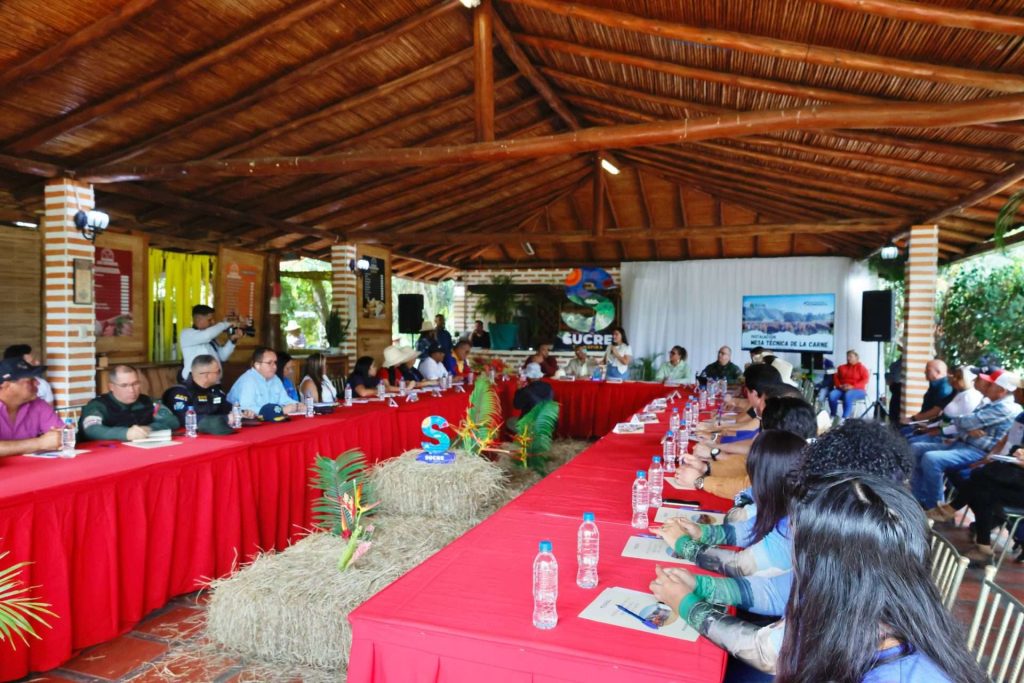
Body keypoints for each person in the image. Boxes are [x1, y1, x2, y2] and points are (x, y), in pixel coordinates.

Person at [652, 419, 915, 678]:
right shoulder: (861, 559)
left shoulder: (851, 585)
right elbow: (780, 590)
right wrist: (703, 587)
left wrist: (686, 602)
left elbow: (768, 651)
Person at [770, 473, 985, 682]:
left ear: (833, 575)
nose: (794, 563)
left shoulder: (900, 674)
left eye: (797, 551)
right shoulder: (865, 625)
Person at [909, 369, 1022, 521]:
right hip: (962, 443)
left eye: (992, 384)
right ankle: (918, 497)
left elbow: (963, 420)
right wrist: (968, 427)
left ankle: (934, 506)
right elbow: (964, 421)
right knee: (915, 448)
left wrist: (966, 425)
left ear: (1001, 390)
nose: (987, 385)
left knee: (932, 459)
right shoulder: (991, 402)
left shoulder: (1007, 408)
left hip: (977, 451)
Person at [80, 364, 179, 441]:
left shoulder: (148, 401)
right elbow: (92, 429)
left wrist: (148, 429)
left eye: (135, 384)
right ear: (111, 387)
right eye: (124, 385)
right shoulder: (98, 405)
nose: (132, 390)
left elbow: (172, 421)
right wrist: (125, 434)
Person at [0, 357, 62, 456]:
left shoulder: (39, 404)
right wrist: (39, 443)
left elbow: (61, 435)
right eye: (30, 380)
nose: (37, 383)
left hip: (33, 469)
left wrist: (62, 435)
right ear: (6, 385)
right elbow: (45, 443)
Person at [161, 355, 234, 434]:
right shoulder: (180, 393)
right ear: (206, 375)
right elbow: (185, 419)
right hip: (187, 440)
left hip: (214, 435)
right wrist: (225, 418)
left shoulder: (215, 391)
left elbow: (228, 408)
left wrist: (242, 413)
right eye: (218, 371)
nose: (220, 374)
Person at [226, 347, 303, 415]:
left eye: (275, 362)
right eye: (269, 363)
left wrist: (298, 405)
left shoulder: (275, 378)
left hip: (268, 421)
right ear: (257, 365)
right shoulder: (248, 380)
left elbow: (284, 400)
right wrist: (279, 411)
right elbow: (247, 408)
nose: (274, 366)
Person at [178, 304, 245, 381]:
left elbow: (223, 357)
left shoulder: (211, 339)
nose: (213, 322)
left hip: (213, 384)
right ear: (198, 319)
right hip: (194, 385)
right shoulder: (186, 334)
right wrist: (227, 323)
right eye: (209, 320)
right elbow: (207, 335)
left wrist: (232, 341)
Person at [905, 359, 954, 426]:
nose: (925, 372)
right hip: (924, 422)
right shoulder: (936, 384)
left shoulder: (945, 388)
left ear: (938, 372)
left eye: (928, 370)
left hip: (934, 426)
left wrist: (913, 419)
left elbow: (936, 412)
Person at [509, 362, 554, 430]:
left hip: (529, 424)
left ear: (529, 377)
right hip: (546, 422)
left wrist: (518, 390)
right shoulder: (548, 387)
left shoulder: (526, 390)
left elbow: (517, 405)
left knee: (510, 422)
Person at [828, 349, 869, 418]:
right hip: (842, 389)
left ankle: (845, 418)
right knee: (832, 394)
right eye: (847, 356)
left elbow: (865, 380)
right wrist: (839, 385)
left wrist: (852, 387)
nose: (848, 358)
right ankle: (833, 415)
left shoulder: (861, 368)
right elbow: (835, 377)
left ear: (856, 358)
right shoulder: (841, 367)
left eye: (850, 356)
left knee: (848, 394)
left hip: (858, 390)